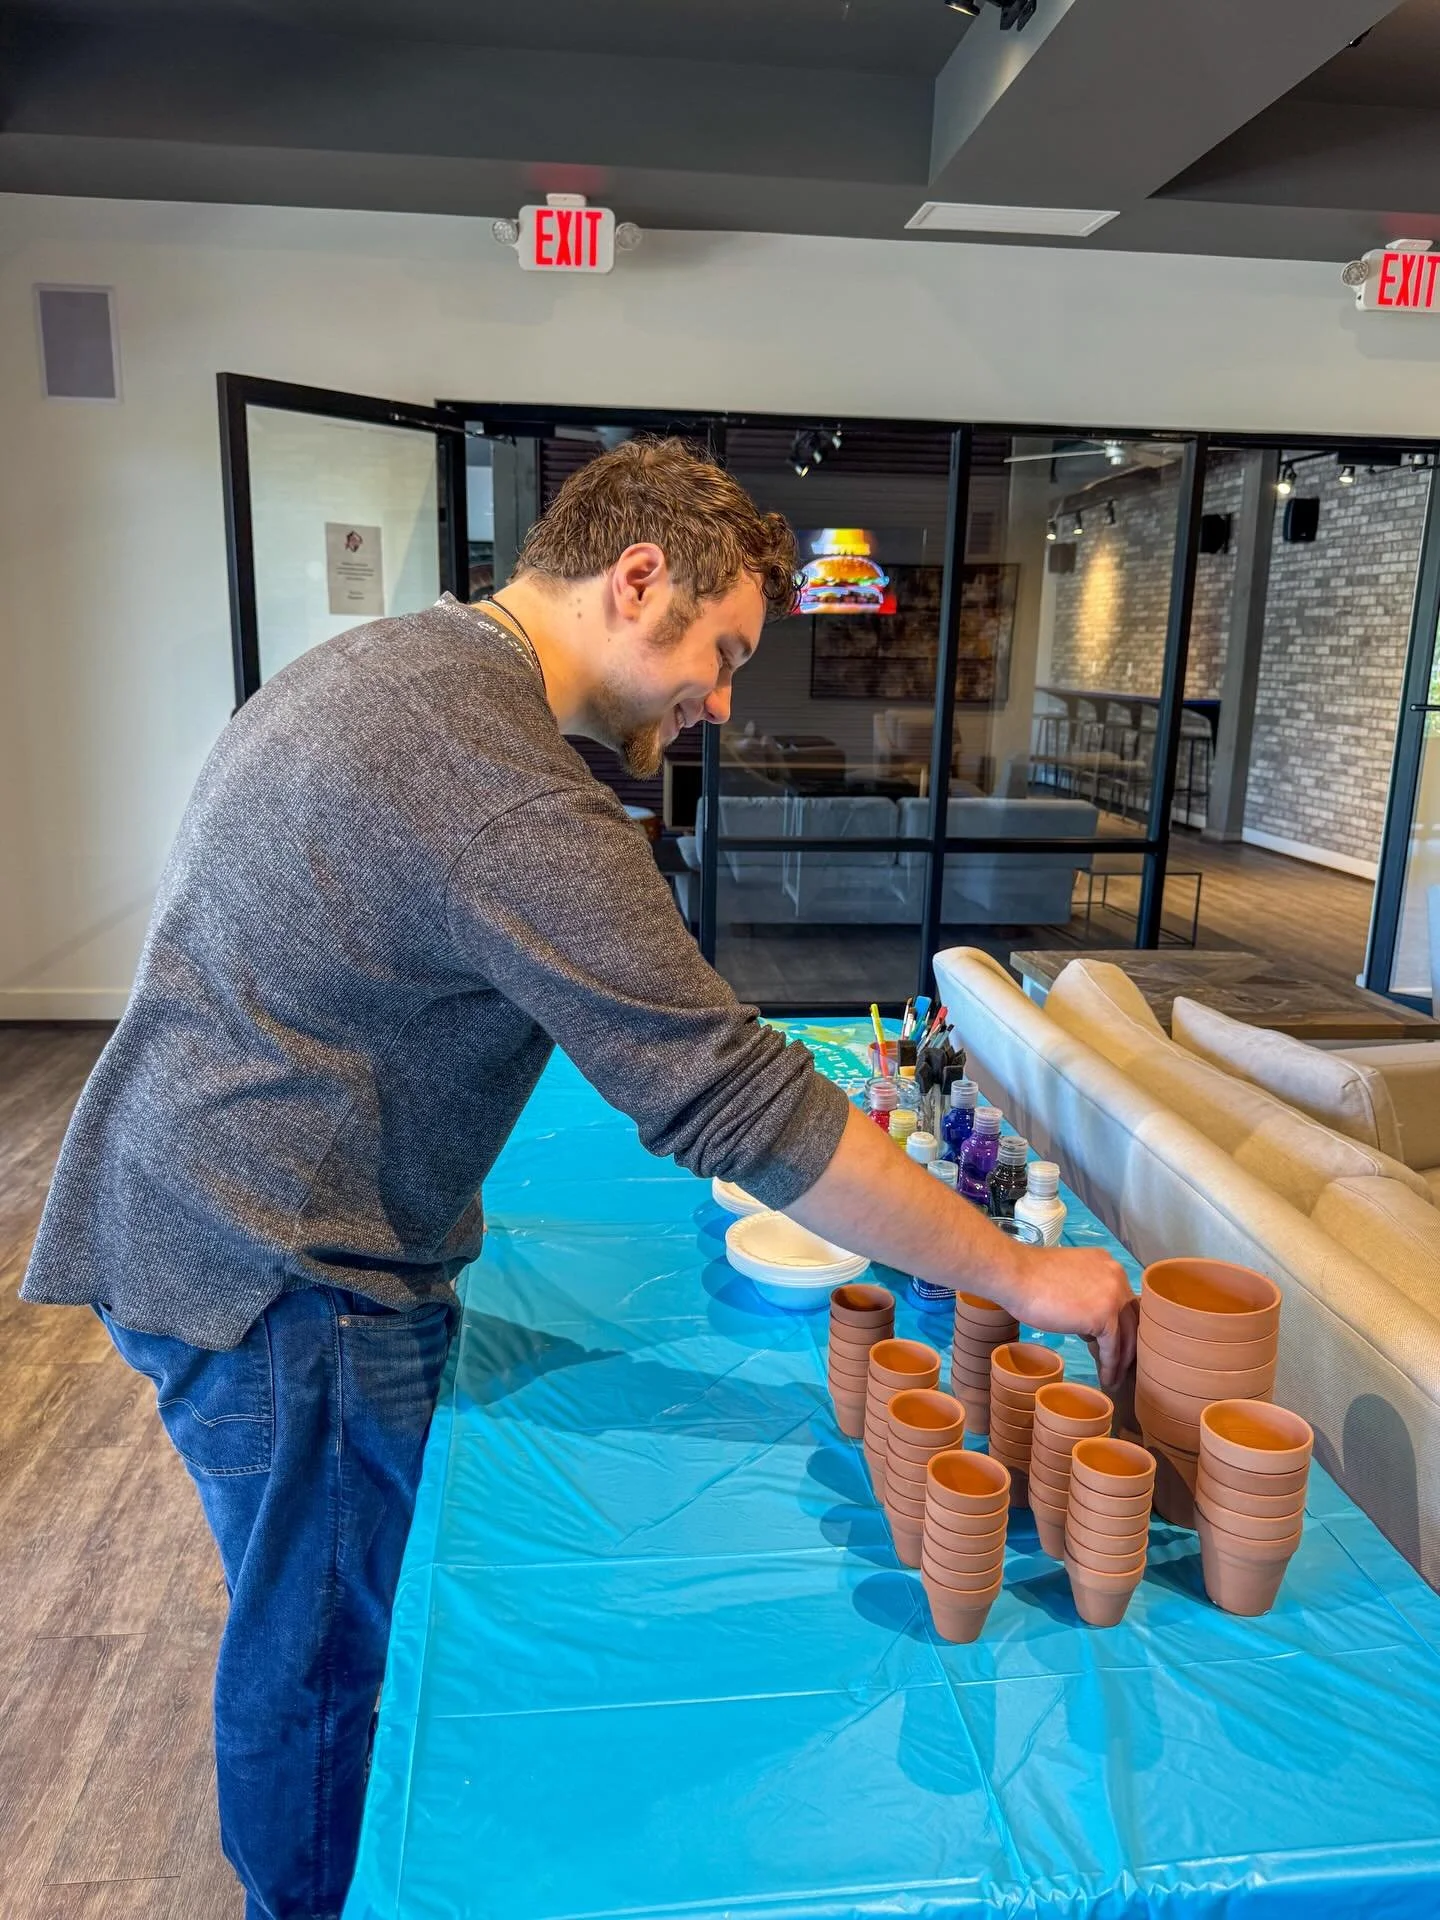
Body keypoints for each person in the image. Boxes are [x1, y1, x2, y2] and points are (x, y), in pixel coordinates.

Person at [23, 438, 1134, 1920]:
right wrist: (1020, 1272)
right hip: (277, 1270)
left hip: (202, 1212)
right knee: (322, 1660)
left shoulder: (413, 668)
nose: (723, 701)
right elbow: (731, 1098)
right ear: (637, 580)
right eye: (724, 653)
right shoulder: (496, 777)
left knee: (321, 1624)